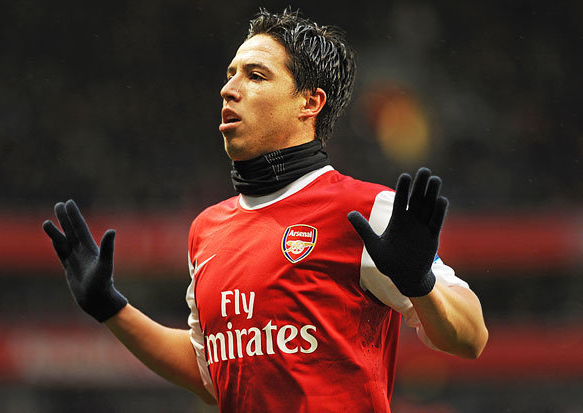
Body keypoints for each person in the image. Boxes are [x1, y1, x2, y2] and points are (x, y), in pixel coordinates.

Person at [43, 8, 488, 412]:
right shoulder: (207, 229)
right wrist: (111, 307)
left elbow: (473, 338)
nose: (228, 89)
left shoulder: (364, 210)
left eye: (255, 76)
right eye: (230, 74)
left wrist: (420, 284)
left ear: (309, 103)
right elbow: (212, 376)